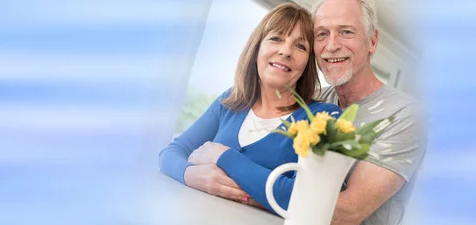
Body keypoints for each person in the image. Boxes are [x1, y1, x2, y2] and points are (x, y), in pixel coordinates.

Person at [158, 2, 341, 213]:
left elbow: (307, 198)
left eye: (300, 46)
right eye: (276, 38)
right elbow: (171, 153)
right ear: (257, 48)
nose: (285, 51)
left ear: (308, 64)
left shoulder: (324, 118)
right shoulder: (231, 101)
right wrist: (190, 175)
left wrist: (224, 157)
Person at [311, 0, 426, 224]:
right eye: (322, 34)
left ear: (372, 41)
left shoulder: (406, 115)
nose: (332, 45)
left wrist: (246, 191)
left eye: (346, 32)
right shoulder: (313, 100)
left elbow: (348, 212)